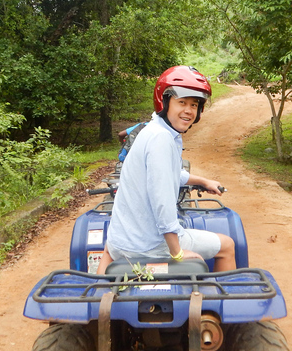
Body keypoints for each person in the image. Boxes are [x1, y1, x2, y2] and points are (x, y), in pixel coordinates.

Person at [97, 66, 236, 273]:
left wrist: (203, 181)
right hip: (150, 247)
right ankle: (221, 301)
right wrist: (177, 252)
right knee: (227, 245)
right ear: (165, 101)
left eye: (194, 104)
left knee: (110, 248)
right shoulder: (162, 139)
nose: (189, 110)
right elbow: (162, 201)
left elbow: (167, 174)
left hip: (121, 242)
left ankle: (100, 296)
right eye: (182, 102)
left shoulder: (152, 131)